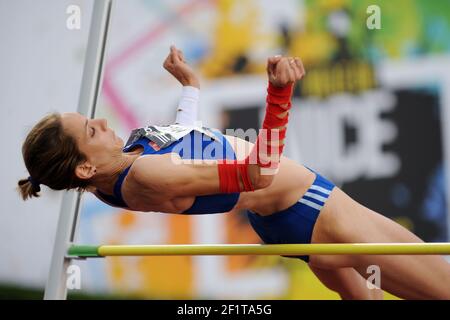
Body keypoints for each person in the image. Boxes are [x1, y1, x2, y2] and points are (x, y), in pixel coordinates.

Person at [18, 46, 450, 300]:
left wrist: (189, 87)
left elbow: (185, 140)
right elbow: (258, 172)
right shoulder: (146, 176)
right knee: (440, 284)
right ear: (84, 165)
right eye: (91, 130)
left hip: (285, 217)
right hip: (311, 210)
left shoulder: (120, 167)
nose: (103, 122)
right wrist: (279, 94)